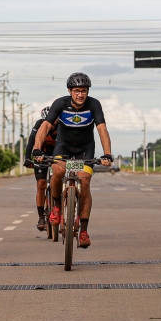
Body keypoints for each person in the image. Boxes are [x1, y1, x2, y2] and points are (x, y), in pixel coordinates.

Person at [32, 72, 113, 249]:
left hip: (85, 149)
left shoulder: (94, 104)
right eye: (76, 91)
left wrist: (107, 154)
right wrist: (37, 149)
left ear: (88, 91)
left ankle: (83, 231)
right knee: (58, 171)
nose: (80, 94)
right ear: (70, 91)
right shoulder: (60, 104)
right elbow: (45, 126)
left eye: (83, 91)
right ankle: (57, 207)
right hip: (63, 147)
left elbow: (102, 129)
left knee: (84, 181)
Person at [26, 107, 57, 231]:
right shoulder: (39, 124)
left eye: (53, 121)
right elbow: (31, 141)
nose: (51, 124)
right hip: (41, 156)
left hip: (57, 155)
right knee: (41, 184)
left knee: (58, 180)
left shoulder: (61, 125)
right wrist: (27, 158)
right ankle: (41, 217)